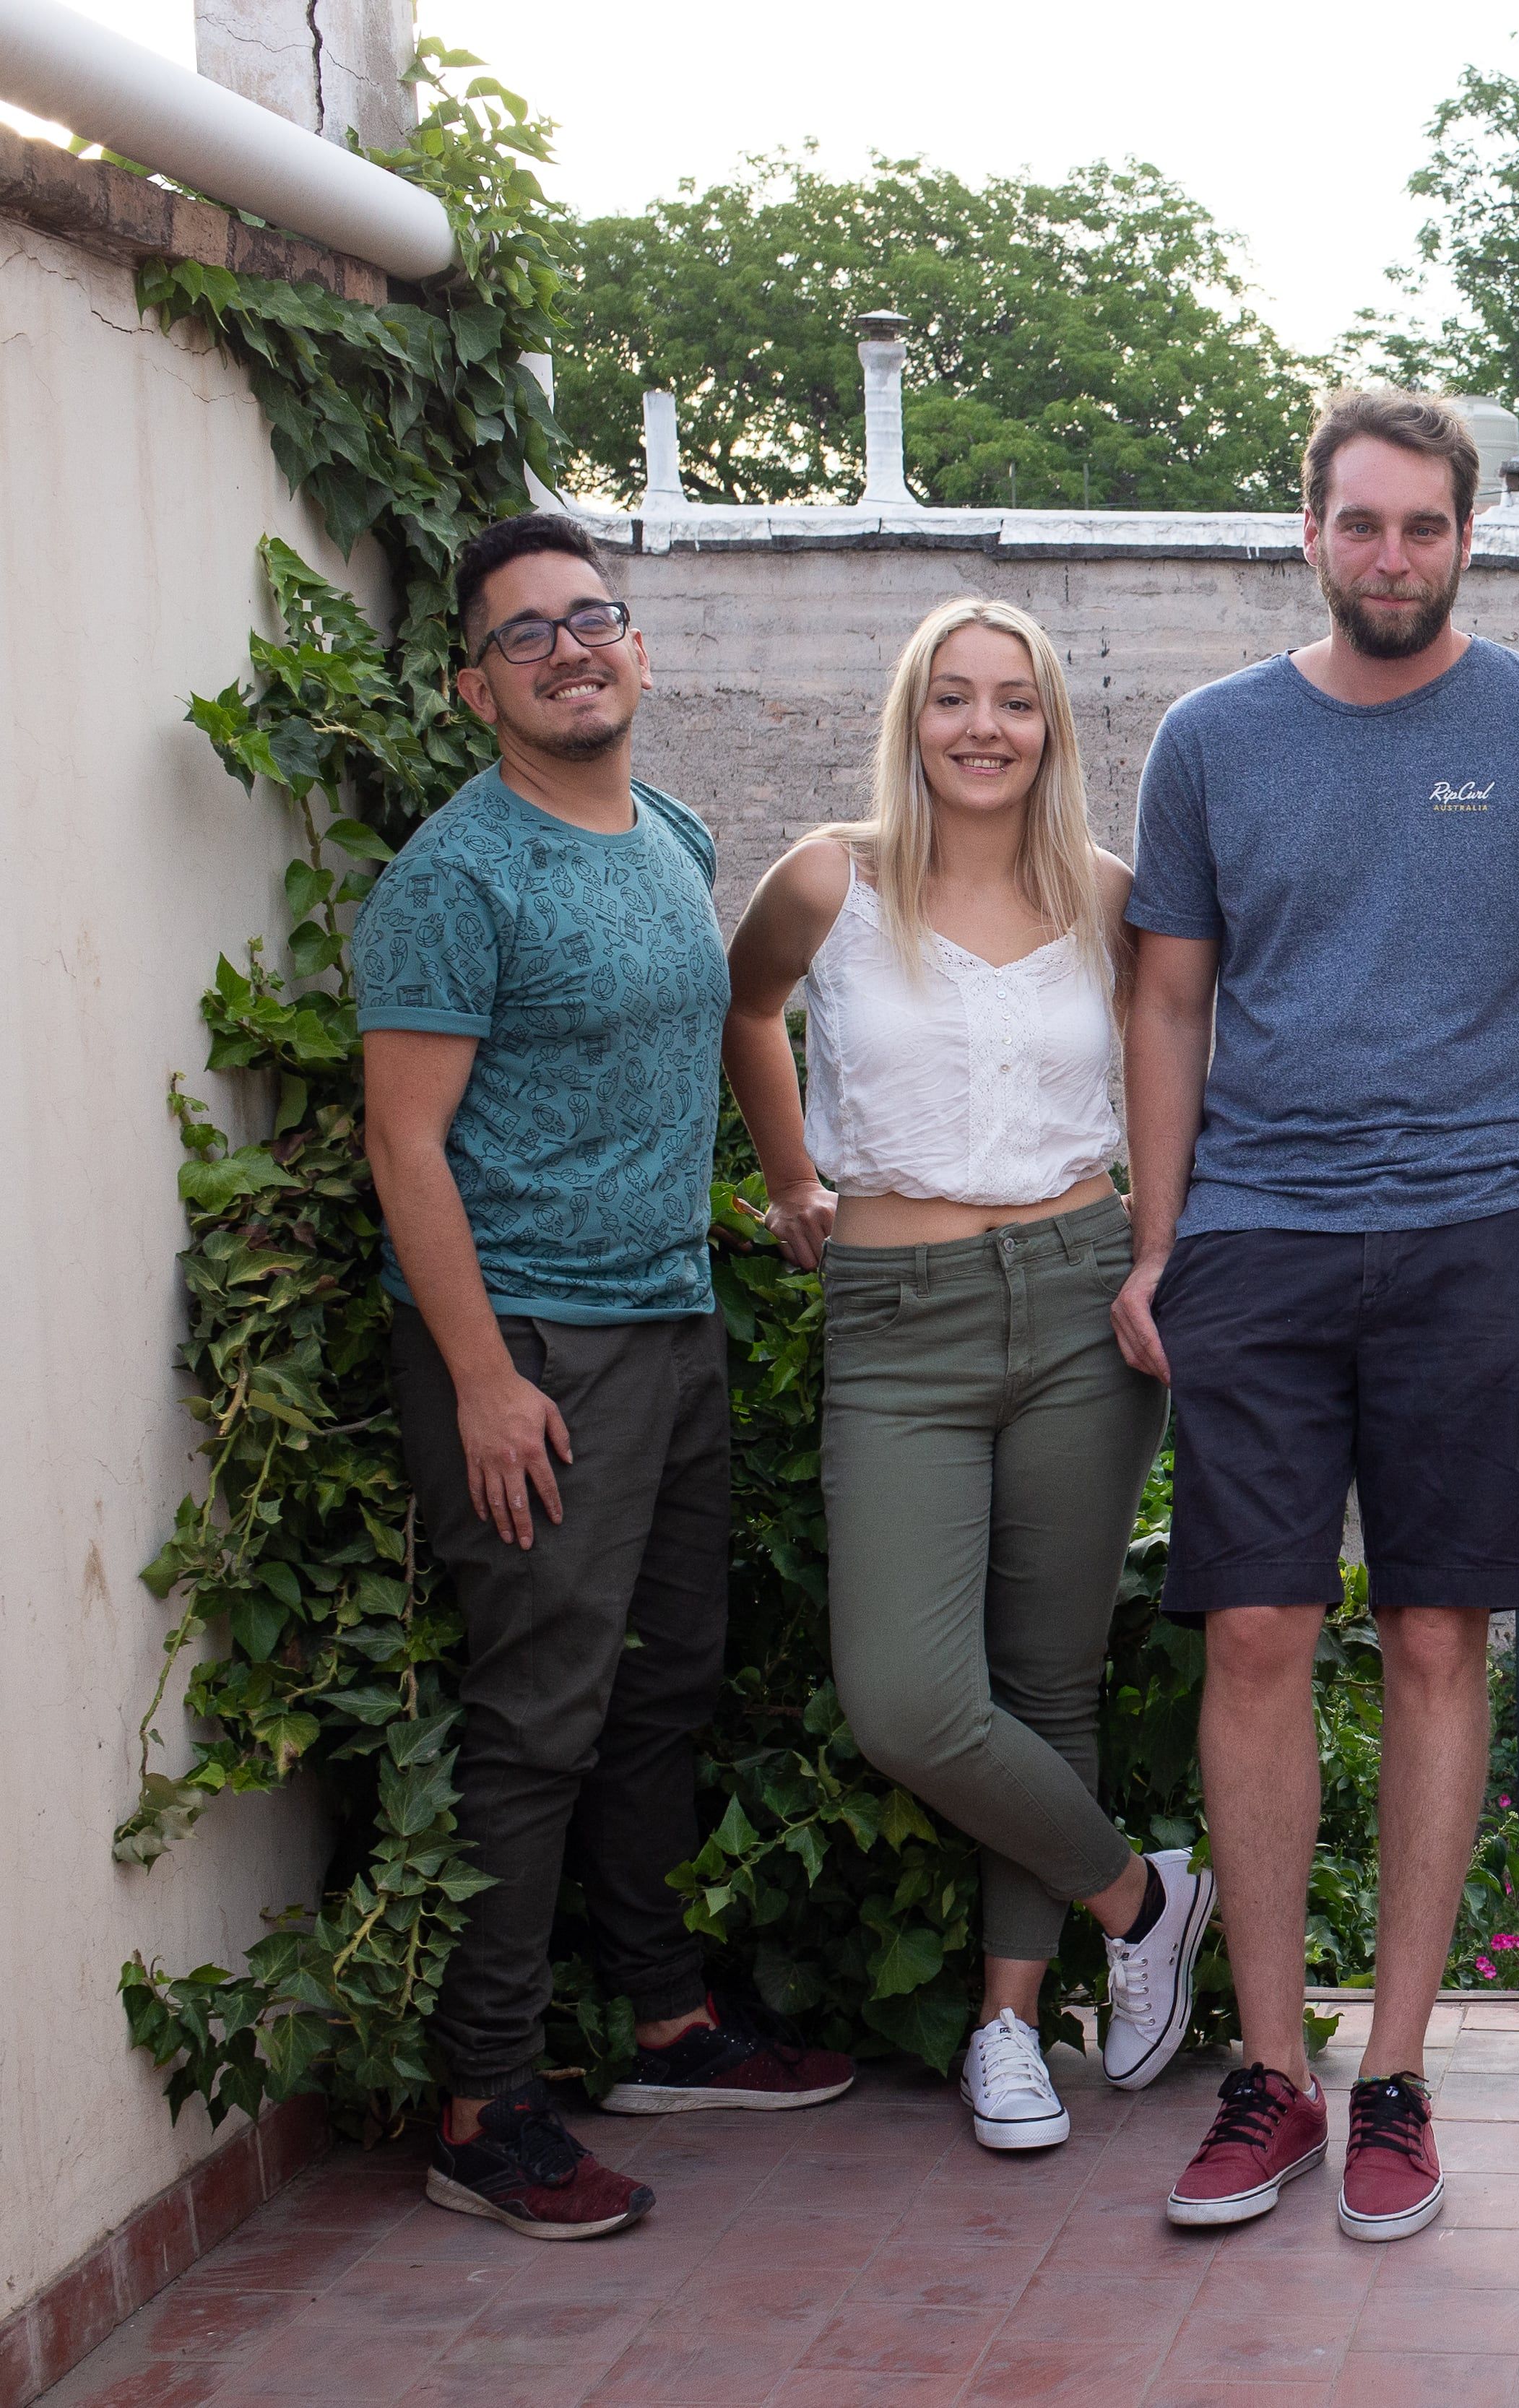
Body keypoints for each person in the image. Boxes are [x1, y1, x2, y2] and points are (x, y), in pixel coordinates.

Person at [1112, 390, 1519, 2243]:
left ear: (1469, 534)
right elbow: (1172, 1005)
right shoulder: (1210, 740)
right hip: (1261, 1242)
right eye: (1358, 525)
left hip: (1476, 1232)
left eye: (1423, 527)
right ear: (1307, 532)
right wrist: (1158, 1241)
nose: (1391, 558)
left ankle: (1402, 2074)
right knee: (1256, 1634)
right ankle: (1270, 2071)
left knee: (1441, 1638)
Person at [357, 513, 853, 2244]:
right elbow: (405, 1145)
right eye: (527, 634)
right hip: (537, 1354)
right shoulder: (457, 876)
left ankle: (666, 2023)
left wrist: (784, 1187)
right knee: (540, 1720)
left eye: (595, 618)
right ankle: (485, 2106)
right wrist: (485, 1378)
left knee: (665, 1685)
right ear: (473, 681)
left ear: (637, 646)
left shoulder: (669, 829)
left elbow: (725, 1025)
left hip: (673, 1320)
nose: (571, 649)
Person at [721, 596, 1209, 2157]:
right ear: (912, 719)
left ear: (1053, 725)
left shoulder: (1115, 900)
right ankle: (1144, 1899)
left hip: (1079, 1299)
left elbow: (1184, 1065)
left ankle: (1008, 2025)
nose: (984, 726)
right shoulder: (828, 881)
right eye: (954, 699)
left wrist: (1159, 1250)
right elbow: (745, 1009)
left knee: (1046, 1680)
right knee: (911, 1699)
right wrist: (795, 1177)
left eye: (1015, 700)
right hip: (896, 1314)